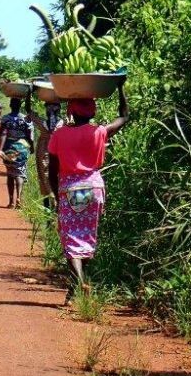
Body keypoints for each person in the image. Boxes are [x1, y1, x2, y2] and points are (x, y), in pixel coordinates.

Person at [46, 84, 129, 302]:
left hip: (70, 189)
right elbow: (124, 116)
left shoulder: (60, 135)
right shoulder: (100, 132)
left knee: (71, 239)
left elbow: (52, 170)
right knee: (86, 236)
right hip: (94, 188)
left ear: (71, 112)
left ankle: (79, 280)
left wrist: (56, 195)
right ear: (92, 112)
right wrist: (120, 87)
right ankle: (76, 287)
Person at [0, 97, 34, 209]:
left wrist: (0, 148)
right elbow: (29, 135)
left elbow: (3, 133)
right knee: (20, 173)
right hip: (22, 148)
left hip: (9, 148)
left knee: (10, 174)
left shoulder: (5, 119)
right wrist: (32, 147)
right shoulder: (25, 119)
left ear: (10, 106)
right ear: (20, 106)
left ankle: (11, 202)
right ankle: (19, 197)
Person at [29, 101, 64, 209]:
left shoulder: (42, 123)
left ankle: (48, 207)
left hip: (44, 153)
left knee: (44, 177)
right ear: (59, 110)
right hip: (57, 153)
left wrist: (29, 95)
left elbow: (29, 111)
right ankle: (56, 205)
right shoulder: (62, 124)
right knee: (56, 177)